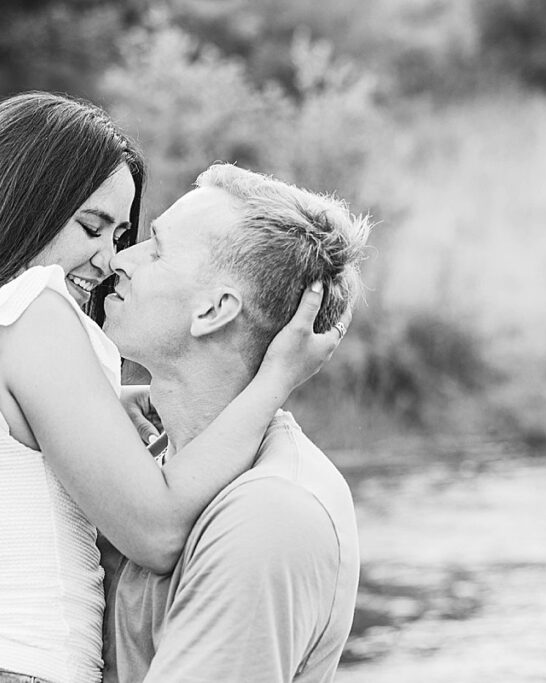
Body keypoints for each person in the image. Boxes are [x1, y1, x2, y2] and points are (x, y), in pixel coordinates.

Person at [0, 93, 346, 683]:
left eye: (122, 235)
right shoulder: (34, 311)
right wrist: (276, 379)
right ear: (20, 207)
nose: (110, 259)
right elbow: (157, 531)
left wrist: (108, 409)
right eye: (92, 227)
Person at [100, 163, 369, 683]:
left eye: (154, 249)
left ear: (215, 309)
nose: (120, 260)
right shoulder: (147, 464)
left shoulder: (271, 512)